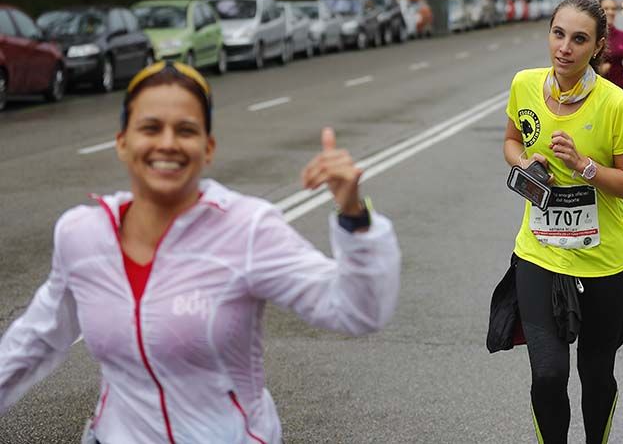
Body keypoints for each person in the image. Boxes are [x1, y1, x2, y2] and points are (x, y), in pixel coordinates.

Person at [0, 61, 401, 443]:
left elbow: (355, 312)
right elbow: (35, 339)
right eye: (150, 128)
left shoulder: (248, 228)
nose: (168, 143)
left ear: (208, 148)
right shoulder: (82, 234)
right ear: (123, 143)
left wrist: (353, 215)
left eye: (186, 130)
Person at [500, 0, 623, 443]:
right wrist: (525, 163)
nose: (564, 47)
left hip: (604, 261)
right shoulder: (524, 85)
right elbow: (510, 140)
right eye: (558, 33)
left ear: (598, 46)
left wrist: (586, 166)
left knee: (596, 376)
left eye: (579, 39)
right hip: (539, 253)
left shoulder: (615, 104)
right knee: (547, 374)